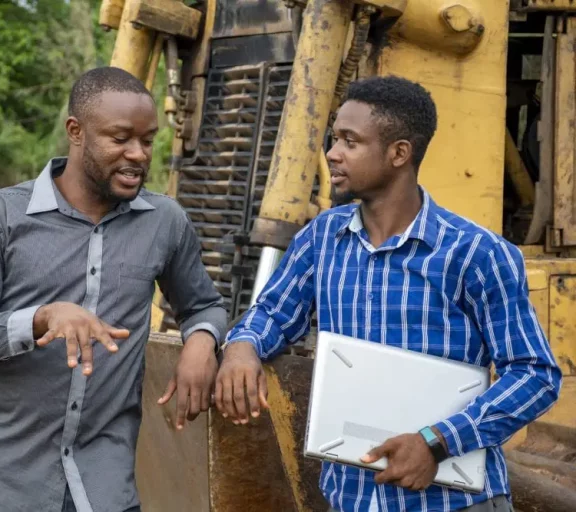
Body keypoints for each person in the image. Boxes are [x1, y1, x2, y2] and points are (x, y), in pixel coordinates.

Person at [216, 75, 562, 512]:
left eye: (350, 141)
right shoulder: (322, 239)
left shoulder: (476, 252)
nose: (332, 153)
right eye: (333, 137)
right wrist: (242, 347)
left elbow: (535, 375)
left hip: (452, 502)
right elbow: (271, 313)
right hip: (352, 499)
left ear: (399, 153)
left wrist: (437, 443)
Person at [0, 66, 227, 512]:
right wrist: (41, 318)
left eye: (147, 140)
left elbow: (204, 305)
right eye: (120, 138)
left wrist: (202, 341)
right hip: (6, 491)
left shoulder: (165, 223)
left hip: (106, 491)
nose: (139, 154)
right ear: (75, 131)